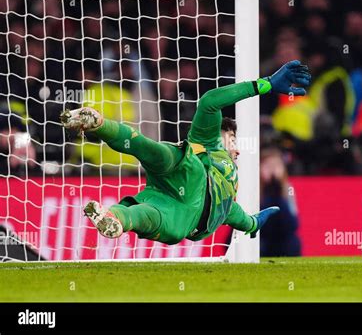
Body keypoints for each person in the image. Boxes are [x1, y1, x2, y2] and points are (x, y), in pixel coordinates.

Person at [59, 60, 311, 244]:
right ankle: (99, 124)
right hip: (190, 174)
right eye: (233, 139)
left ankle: (113, 218)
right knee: (157, 153)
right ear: (222, 135)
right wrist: (265, 84)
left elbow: (239, 217)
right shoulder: (210, 142)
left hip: (181, 210)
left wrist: (255, 222)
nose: (237, 150)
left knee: (147, 215)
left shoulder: (227, 200)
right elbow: (211, 102)